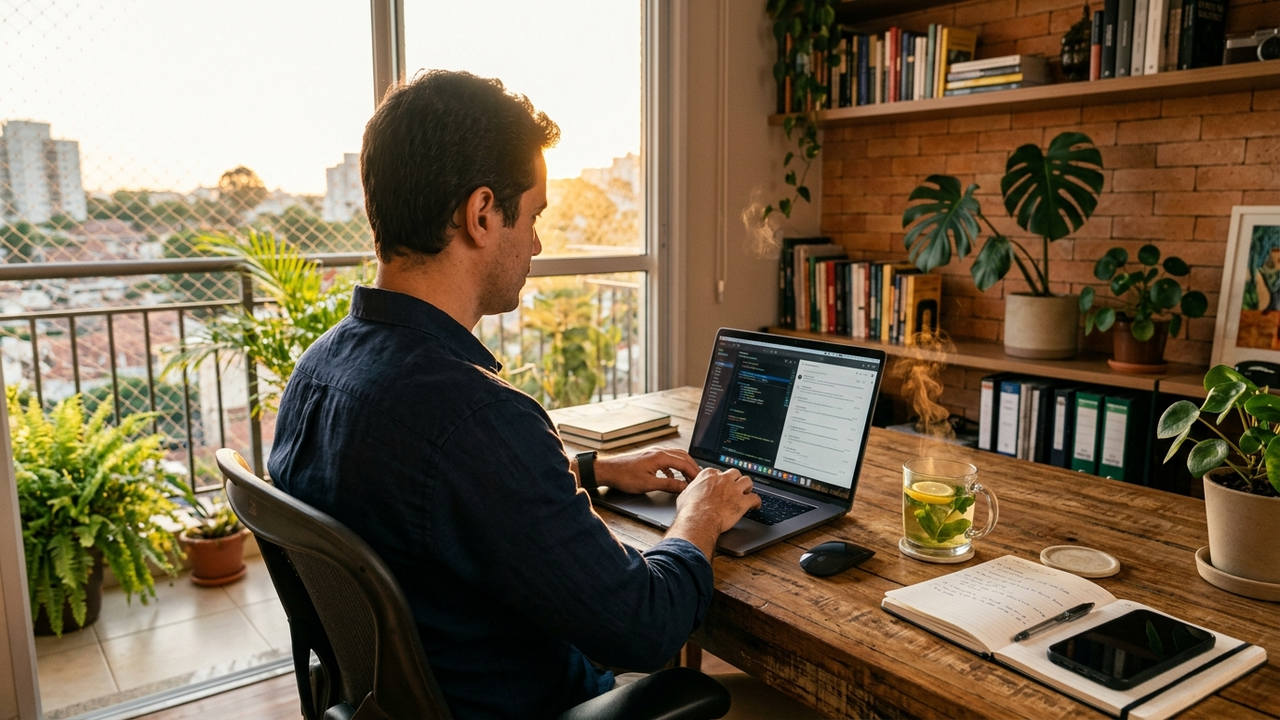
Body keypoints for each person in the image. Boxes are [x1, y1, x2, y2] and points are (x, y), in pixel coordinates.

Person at [267, 70, 760, 719]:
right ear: (480, 214)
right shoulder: (475, 417)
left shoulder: (319, 369)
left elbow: (430, 504)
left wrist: (594, 470)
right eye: (531, 217)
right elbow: (644, 628)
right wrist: (698, 513)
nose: (535, 243)